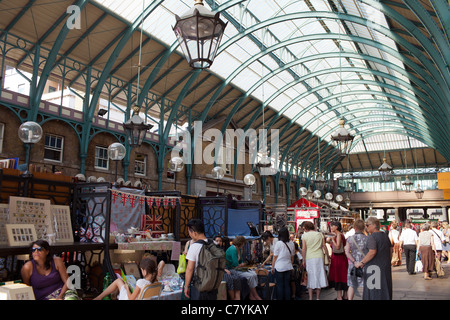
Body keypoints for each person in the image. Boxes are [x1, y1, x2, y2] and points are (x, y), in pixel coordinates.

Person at [355, 217, 392, 300]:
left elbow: (372, 252)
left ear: (374, 225)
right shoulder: (385, 235)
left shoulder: (372, 237)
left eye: (367, 225)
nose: (366, 227)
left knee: (373, 292)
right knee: (384, 289)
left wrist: (361, 262)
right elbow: (390, 250)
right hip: (384, 267)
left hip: (373, 268)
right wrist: (387, 261)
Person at [184, 219, 218, 300]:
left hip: (200, 285)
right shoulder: (214, 243)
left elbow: (190, 269)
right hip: (213, 284)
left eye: (189, 232)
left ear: (194, 233)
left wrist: (186, 286)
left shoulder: (194, 247)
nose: (189, 235)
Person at [94, 257, 158, 300]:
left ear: (144, 271)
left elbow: (130, 298)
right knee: (120, 281)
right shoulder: (154, 283)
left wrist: (127, 288)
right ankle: (100, 297)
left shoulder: (141, 282)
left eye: (141, 270)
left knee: (118, 281)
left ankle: (99, 297)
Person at [225, 235, 262, 300]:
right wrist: (241, 264)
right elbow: (235, 263)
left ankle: (252, 295)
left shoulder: (239, 249)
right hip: (233, 269)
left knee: (254, 274)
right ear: (240, 243)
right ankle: (255, 295)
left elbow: (241, 261)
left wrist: (241, 264)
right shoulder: (233, 249)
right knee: (250, 276)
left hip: (238, 268)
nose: (244, 245)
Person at [301, 221, 329, 300]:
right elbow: (324, 246)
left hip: (309, 257)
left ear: (306, 228)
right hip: (319, 257)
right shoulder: (320, 234)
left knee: (310, 276)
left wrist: (303, 259)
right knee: (319, 276)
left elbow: (304, 249)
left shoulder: (304, 236)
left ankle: (310, 298)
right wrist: (327, 255)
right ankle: (318, 298)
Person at [344, 219, 368, 300]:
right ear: (363, 228)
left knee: (351, 284)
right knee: (365, 283)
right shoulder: (367, 239)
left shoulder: (350, 239)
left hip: (353, 264)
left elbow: (347, 252)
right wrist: (363, 262)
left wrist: (354, 261)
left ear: (355, 227)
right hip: (364, 263)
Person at [271, 226, 295, 300]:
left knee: (280, 286)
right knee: (287, 285)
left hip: (279, 267)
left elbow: (275, 257)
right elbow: (292, 257)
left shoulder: (278, 243)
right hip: (288, 267)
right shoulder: (291, 243)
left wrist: (272, 267)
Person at [215, 235, 241, 300]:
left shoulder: (222, 251)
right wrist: (224, 269)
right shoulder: (212, 251)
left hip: (226, 268)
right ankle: (233, 298)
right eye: (217, 241)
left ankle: (237, 298)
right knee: (229, 278)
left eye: (220, 241)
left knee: (236, 276)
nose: (219, 242)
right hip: (218, 270)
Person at [328, 221, 348, 300]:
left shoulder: (338, 235)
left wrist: (332, 240)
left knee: (338, 276)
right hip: (341, 258)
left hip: (338, 259)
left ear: (336, 227)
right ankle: (345, 295)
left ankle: (339, 296)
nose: (331, 227)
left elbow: (337, 246)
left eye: (332, 226)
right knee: (343, 276)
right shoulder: (341, 235)